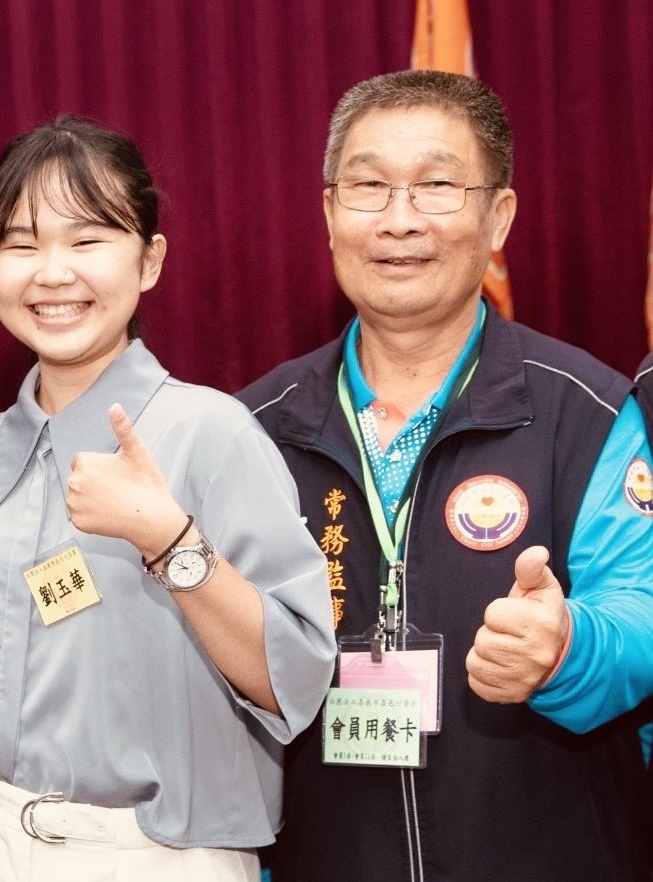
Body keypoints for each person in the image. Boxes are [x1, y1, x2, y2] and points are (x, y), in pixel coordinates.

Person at [0, 116, 336, 882]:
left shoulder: (212, 433)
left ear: (150, 260)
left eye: (87, 239)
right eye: (20, 242)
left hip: (157, 857)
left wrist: (168, 540)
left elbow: (292, 677)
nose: (52, 273)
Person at [237, 69, 653, 881]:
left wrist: (566, 646)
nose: (399, 221)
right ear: (327, 213)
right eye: (367, 187)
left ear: (497, 216)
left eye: (435, 186)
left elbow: (641, 605)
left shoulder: (588, 409)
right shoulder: (252, 427)